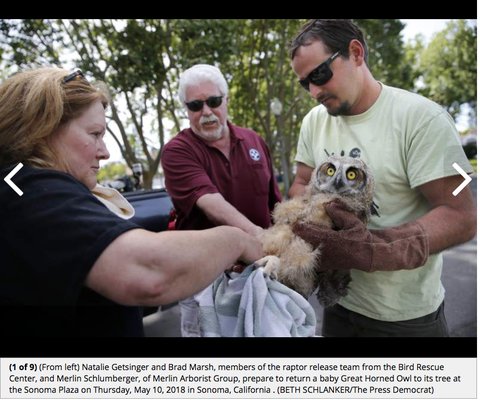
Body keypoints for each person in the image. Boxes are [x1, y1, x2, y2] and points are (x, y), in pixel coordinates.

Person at [0, 67, 263, 337]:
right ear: (44, 128)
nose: (105, 152)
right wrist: (239, 241)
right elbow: (149, 271)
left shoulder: (19, 186)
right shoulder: (23, 188)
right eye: (94, 134)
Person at [288, 19, 476, 337]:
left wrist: (374, 249)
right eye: (305, 83)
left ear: (356, 53)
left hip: (405, 318)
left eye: (319, 75)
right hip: (336, 305)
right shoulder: (313, 122)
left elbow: (462, 215)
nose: (314, 92)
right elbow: (301, 183)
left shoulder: (425, 118)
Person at [161, 64, 282, 336]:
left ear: (226, 100)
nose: (206, 112)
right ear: (186, 109)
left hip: (260, 274)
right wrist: (260, 238)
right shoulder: (177, 151)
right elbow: (210, 203)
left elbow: (275, 205)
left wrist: (286, 246)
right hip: (204, 280)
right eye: (195, 105)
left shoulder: (254, 140)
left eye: (214, 102)